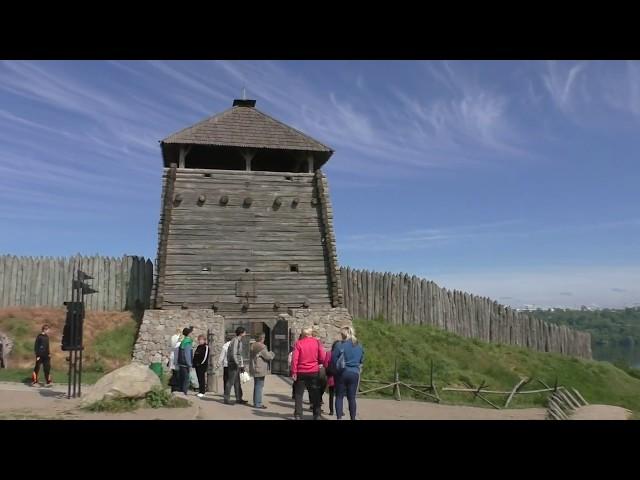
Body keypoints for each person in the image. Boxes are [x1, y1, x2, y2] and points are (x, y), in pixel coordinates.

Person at [291, 327, 325, 420]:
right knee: (315, 393)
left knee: (298, 394)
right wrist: (320, 362)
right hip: (313, 371)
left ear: (303, 334)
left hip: (301, 371)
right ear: (310, 334)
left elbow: (295, 359)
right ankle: (317, 414)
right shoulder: (317, 342)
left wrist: (294, 371)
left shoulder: (298, 343)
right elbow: (322, 356)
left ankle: (298, 415)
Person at [332, 326, 364, 420]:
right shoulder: (359, 346)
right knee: (352, 398)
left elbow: (333, 360)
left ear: (343, 335)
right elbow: (361, 360)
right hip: (354, 373)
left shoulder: (339, 345)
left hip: (342, 373)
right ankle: (353, 418)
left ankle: (339, 418)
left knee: (339, 397)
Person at [250, 333, 275, 409]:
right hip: (260, 367)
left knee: (256, 385)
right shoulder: (262, 347)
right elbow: (268, 357)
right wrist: (272, 353)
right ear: (262, 338)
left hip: (254, 366)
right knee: (259, 386)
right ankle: (258, 403)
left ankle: (256, 402)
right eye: (263, 337)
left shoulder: (253, 345)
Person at [223, 327, 248, 405]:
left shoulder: (239, 341)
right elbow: (234, 353)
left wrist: (241, 364)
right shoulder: (236, 341)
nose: (245, 333)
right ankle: (226, 399)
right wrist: (237, 363)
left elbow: (239, 354)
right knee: (230, 381)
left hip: (236, 363)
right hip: (233, 363)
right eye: (244, 332)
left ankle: (239, 398)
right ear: (241, 333)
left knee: (237, 382)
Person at [218, 335, 243, 401]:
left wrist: (218, 364)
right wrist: (241, 364)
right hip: (234, 364)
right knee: (237, 382)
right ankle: (238, 397)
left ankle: (226, 395)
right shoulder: (235, 344)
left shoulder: (225, 346)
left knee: (227, 381)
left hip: (227, 365)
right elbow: (239, 355)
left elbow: (222, 356)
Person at [324, 340, 340, 416]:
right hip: (340, 377)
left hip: (331, 377)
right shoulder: (341, 354)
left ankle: (331, 410)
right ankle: (339, 410)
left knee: (331, 394)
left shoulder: (329, 353)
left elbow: (326, 364)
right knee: (339, 395)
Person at [176, 327, 194, 395]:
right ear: (189, 334)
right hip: (185, 364)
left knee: (181, 380)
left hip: (181, 363)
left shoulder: (183, 341)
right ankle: (184, 395)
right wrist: (189, 364)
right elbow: (187, 355)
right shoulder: (188, 342)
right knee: (186, 381)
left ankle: (180, 394)